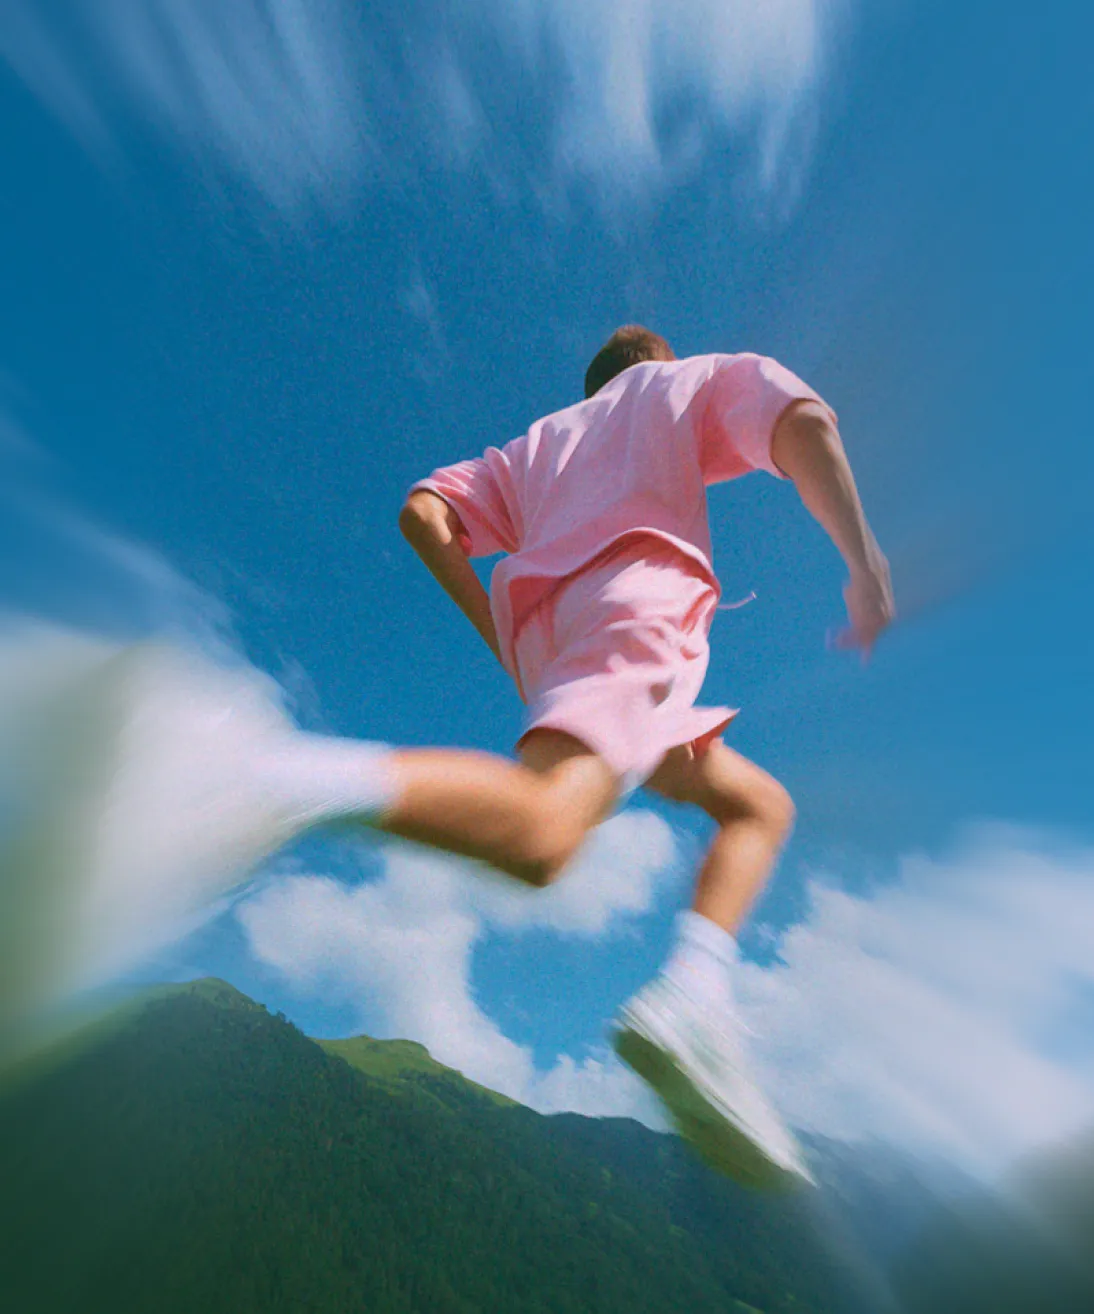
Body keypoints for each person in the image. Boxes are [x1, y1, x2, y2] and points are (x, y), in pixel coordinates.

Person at [4, 326, 893, 1189]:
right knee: (546, 833)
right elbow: (804, 422)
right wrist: (863, 564)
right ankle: (254, 776)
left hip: (581, 652)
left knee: (756, 805)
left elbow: (422, 513)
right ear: (653, 363)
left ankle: (695, 998)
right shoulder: (681, 384)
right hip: (641, 616)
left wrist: (504, 640)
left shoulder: (536, 446)